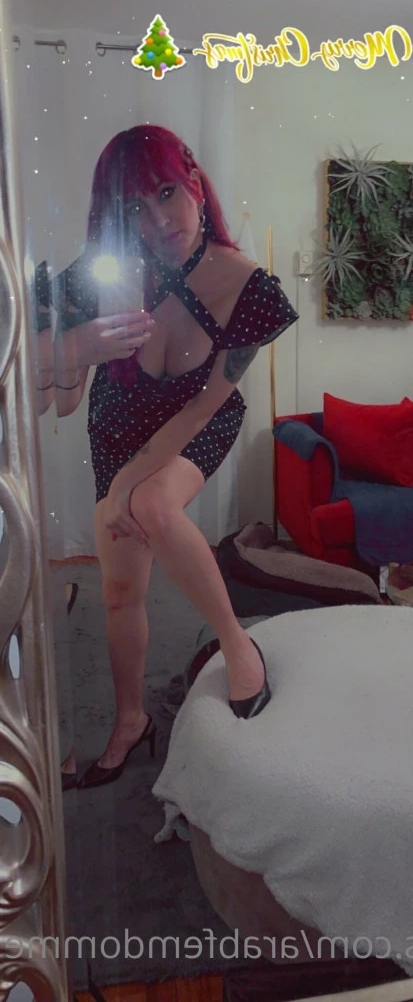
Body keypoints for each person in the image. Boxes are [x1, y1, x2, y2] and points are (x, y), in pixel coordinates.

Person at [51, 124, 298, 790]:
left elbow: (204, 405)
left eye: (165, 193)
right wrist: (76, 349)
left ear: (194, 183)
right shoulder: (106, 271)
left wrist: (124, 487)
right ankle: (131, 721)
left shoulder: (248, 286)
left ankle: (239, 649)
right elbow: (63, 401)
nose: (158, 221)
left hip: (198, 420)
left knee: (152, 503)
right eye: (134, 206)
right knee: (119, 590)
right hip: (117, 427)